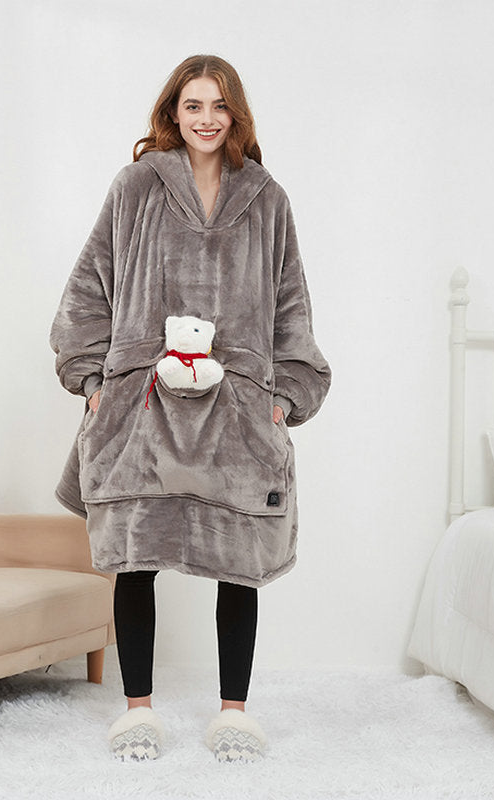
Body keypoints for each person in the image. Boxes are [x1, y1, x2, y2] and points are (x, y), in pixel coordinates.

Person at [50, 54, 330, 763]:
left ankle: (234, 711)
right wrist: (92, 382)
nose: (206, 119)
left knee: (239, 558)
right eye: (193, 105)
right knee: (136, 552)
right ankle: (136, 709)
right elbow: (89, 287)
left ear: (236, 115)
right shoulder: (137, 187)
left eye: (218, 106)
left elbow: (290, 304)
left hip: (235, 409)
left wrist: (284, 396)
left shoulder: (266, 198)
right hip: (142, 406)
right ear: (172, 112)